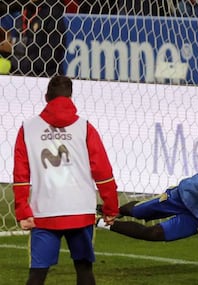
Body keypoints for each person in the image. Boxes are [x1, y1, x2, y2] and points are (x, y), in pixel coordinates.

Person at [12, 75, 119, 285]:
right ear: (70, 97)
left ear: (46, 97)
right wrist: (111, 207)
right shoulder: (85, 127)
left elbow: (21, 175)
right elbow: (103, 171)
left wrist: (23, 210)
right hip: (80, 211)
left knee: (37, 274)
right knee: (84, 269)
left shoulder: (28, 128)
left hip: (45, 211)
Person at [7, 0, 66, 77]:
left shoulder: (53, 14)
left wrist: (14, 45)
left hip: (45, 77)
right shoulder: (22, 11)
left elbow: (49, 56)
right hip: (19, 74)